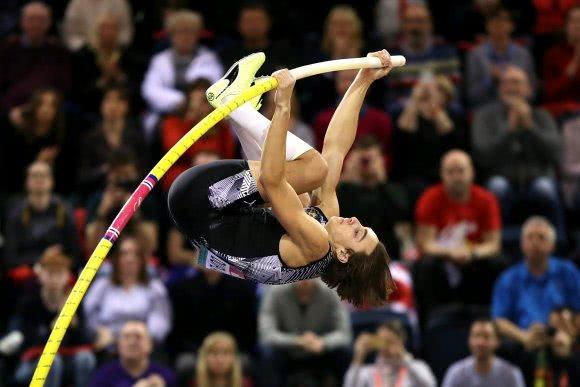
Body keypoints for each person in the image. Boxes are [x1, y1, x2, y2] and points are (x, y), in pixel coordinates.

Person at [168, 51, 395, 306]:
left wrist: (283, 105)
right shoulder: (324, 229)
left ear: (342, 254)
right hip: (206, 211)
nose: (355, 221)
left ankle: (231, 101)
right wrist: (363, 80)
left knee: (313, 169)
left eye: (358, 233)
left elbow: (271, 180)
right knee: (305, 189)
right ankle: (238, 109)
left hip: (200, 202)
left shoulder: (317, 246)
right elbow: (336, 148)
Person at [472, 65, 564, 236]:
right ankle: (496, 243)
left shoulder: (542, 116)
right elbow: (482, 156)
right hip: (500, 177)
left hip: (538, 178)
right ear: (499, 89)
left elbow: (554, 153)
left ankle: (558, 243)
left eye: (517, 83)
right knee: (497, 188)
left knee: (545, 189)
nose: (512, 88)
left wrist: (530, 127)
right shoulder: (484, 116)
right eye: (507, 83)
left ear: (529, 89)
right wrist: (509, 130)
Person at [414, 150, 503, 322]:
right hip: (443, 257)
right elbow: (425, 243)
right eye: (450, 172)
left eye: (461, 171)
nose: (456, 177)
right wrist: (450, 253)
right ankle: (432, 319)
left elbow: (493, 243)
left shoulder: (486, 199)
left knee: (497, 262)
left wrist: (472, 253)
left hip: (473, 257)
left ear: (471, 172)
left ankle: (488, 317)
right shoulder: (430, 198)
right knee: (426, 265)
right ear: (442, 174)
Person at [9, 249, 96, 387]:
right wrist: (56, 324)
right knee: (52, 361)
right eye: (50, 273)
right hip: (34, 363)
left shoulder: (75, 302)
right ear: (40, 275)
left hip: (67, 358)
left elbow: (84, 341)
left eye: (59, 274)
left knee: (85, 358)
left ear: (68, 276)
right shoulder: (30, 303)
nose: (55, 279)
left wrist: (74, 325)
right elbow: (28, 341)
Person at [492, 216, 580, 352]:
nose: (535, 242)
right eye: (529, 237)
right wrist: (523, 337)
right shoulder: (508, 278)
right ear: (521, 244)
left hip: (564, 338)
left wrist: (570, 335)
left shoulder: (568, 271)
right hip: (525, 342)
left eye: (541, 237)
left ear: (553, 246)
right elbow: (499, 320)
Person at [141, 10, 223, 137]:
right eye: (180, 32)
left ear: (197, 35)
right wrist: (180, 101)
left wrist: (194, 105)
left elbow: (215, 87)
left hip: (201, 114)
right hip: (167, 113)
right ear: (171, 35)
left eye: (190, 32)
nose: (185, 36)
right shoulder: (159, 60)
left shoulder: (209, 58)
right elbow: (150, 90)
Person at [84, 235, 171, 351]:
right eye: (124, 254)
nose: (130, 259)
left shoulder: (154, 287)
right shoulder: (102, 285)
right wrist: (97, 331)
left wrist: (146, 337)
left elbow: (160, 318)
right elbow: (89, 313)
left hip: (143, 346)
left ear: (142, 260)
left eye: (135, 254)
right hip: (109, 345)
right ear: (116, 258)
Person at [258, 279, 352, 387]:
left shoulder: (331, 291)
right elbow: (266, 334)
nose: (305, 277)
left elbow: (345, 333)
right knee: (268, 352)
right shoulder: (275, 291)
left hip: (320, 351)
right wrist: (296, 341)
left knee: (344, 351)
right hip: (288, 352)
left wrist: (324, 342)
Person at [168, 268, 257, 377]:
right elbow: (179, 330)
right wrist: (204, 352)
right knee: (185, 363)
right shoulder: (183, 288)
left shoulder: (241, 288)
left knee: (245, 363)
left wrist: (228, 351)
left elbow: (248, 329)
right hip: (195, 350)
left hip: (233, 349)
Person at [393, 74, 467, 202]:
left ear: (447, 96)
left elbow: (453, 140)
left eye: (438, 89)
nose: (429, 93)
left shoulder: (454, 115)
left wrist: (435, 108)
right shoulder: (409, 114)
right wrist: (414, 101)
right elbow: (402, 138)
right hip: (413, 175)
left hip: (443, 171)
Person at [337, 135, 411, 258]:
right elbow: (331, 212)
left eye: (371, 159)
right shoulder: (344, 190)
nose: (366, 164)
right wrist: (346, 178)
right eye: (363, 161)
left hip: (387, 253)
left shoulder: (392, 190)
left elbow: (401, 213)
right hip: (350, 254)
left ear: (381, 160)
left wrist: (382, 180)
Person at [3, 161, 81, 275]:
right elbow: (9, 257)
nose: (39, 179)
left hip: (58, 271)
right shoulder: (15, 213)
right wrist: (41, 258)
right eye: (34, 175)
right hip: (28, 274)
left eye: (44, 175)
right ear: (26, 182)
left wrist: (57, 261)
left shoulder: (64, 210)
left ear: (52, 181)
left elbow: (75, 255)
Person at [160, 78, 236, 192]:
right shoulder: (173, 122)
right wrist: (191, 119)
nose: (201, 107)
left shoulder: (220, 125)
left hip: (215, 175)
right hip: (182, 174)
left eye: (204, 102)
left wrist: (211, 159)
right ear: (188, 101)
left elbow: (229, 153)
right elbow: (174, 150)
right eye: (196, 101)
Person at [386, 2, 461, 110]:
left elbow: (455, 94)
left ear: (430, 24)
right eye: (410, 21)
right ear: (402, 25)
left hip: (442, 109)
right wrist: (416, 103)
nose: (415, 27)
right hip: (407, 112)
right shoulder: (392, 55)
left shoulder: (446, 52)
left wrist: (433, 103)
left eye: (420, 21)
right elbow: (391, 100)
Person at [1, 87, 76, 194]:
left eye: (51, 105)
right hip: (19, 192)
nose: (46, 109)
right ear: (33, 107)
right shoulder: (18, 136)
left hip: (56, 193)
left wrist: (50, 166)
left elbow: (69, 177)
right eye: (41, 104)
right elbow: (10, 174)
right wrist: (38, 162)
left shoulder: (63, 137)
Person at [312, 69, 393, 166]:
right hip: (338, 174)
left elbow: (387, 154)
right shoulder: (323, 120)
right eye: (344, 79)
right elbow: (320, 157)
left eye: (354, 79)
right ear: (336, 83)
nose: (350, 85)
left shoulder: (381, 119)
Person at [85, 150, 158, 256]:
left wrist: (133, 213)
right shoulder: (97, 200)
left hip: (138, 260)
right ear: (110, 175)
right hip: (105, 262)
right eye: (119, 176)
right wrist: (102, 213)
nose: (123, 181)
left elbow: (151, 246)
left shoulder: (145, 199)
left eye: (128, 175)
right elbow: (91, 248)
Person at [77, 86, 147, 197]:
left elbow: (146, 169)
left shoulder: (136, 135)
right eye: (108, 100)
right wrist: (105, 170)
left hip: (133, 191)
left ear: (126, 106)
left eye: (119, 100)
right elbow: (82, 177)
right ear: (101, 105)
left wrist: (130, 173)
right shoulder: (90, 138)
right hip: (99, 192)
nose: (113, 106)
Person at [0, 1, 70, 110]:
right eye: (31, 19)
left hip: (47, 107)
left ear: (49, 23)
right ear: (22, 22)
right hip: (11, 107)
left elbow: (63, 85)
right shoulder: (7, 48)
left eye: (41, 20)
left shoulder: (58, 51)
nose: (36, 25)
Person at [70, 12, 143, 113]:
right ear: (96, 31)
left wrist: (120, 77)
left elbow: (138, 91)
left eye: (113, 28)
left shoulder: (129, 56)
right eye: (104, 28)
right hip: (91, 109)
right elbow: (78, 92)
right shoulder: (85, 55)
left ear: (118, 32)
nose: (109, 32)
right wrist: (102, 81)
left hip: (125, 110)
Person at [466, 7, 536, 107]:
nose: (498, 25)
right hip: (487, 108)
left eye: (503, 20)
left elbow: (533, 93)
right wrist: (490, 80)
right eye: (493, 21)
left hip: (518, 105)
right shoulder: (475, 56)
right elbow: (471, 97)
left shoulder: (524, 55)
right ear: (487, 25)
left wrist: (516, 85)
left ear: (512, 25)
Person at [344, 320, 436, 387]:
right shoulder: (368, 372)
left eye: (390, 341)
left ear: (401, 341)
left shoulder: (415, 367)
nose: (385, 347)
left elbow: (429, 384)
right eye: (381, 341)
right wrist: (359, 356)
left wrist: (403, 357)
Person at [89, 320, 177, 387]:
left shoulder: (165, 376)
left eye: (138, 337)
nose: (132, 342)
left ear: (150, 345)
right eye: (126, 337)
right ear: (118, 345)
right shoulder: (103, 376)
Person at [442, 319, 525, 387]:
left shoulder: (511, 374)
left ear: (497, 341)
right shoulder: (455, 373)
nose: (480, 342)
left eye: (486, 337)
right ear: (469, 340)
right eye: (476, 336)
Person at [220, 1, 293, 76]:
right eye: (248, 21)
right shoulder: (227, 56)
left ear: (269, 22)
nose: (253, 26)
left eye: (258, 20)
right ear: (238, 24)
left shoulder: (285, 54)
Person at [543, 5, 580, 117]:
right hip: (562, 110)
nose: (578, 26)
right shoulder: (553, 54)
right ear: (565, 26)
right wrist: (572, 67)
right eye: (573, 21)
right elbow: (550, 93)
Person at [62, 0, 133, 51]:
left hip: (116, 50)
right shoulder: (76, 4)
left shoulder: (119, 3)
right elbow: (71, 35)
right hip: (85, 55)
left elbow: (126, 32)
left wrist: (115, 44)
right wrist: (86, 48)